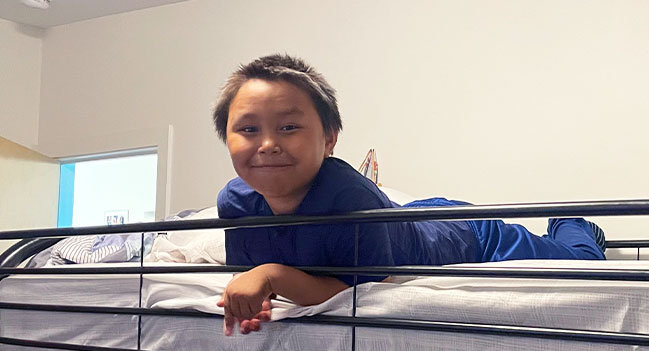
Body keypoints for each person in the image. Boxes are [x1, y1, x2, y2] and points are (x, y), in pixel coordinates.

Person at [214, 54, 606, 336]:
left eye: (288, 128)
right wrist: (257, 293)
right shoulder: (235, 203)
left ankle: (572, 223)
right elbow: (259, 269)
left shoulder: (348, 199)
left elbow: (354, 291)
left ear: (329, 139)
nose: (267, 144)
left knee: (580, 266)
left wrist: (271, 277)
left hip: (463, 232)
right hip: (408, 216)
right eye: (248, 130)